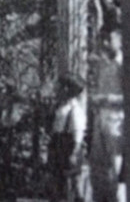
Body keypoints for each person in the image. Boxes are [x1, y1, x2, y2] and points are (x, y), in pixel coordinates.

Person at [89, 26, 124, 202]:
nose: (104, 43)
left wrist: (108, 98)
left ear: (120, 40)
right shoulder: (102, 65)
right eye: (102, 39)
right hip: (100, 118)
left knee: (116, 167)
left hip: (117, 120)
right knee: (97, 169)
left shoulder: (123, 65)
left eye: (109, 39)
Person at [48, 73, 87, 202]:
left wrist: (74, 153)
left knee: (72, 181)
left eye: (59, 86)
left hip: (68, 146)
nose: (56, 89)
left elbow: (78, 134)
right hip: (57, 144)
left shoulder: (75, 109)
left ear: (66, 89)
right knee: (56, 179)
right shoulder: (60, 106)